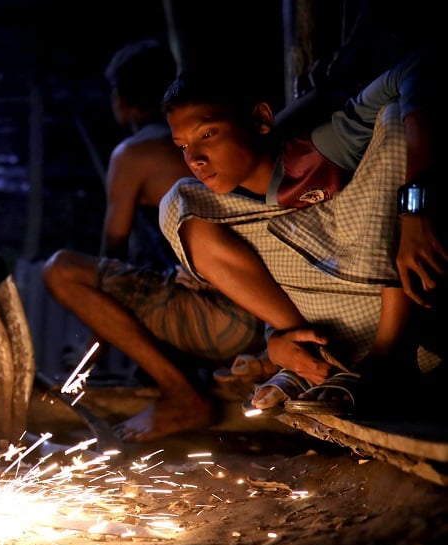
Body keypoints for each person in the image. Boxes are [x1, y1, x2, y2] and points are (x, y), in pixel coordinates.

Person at [159, 43, 441, 418]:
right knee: (177, 202)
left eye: (207, 135)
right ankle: (305, 356)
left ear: (260, 119)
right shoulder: (228, 214)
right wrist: (278, 339)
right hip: (326, 330)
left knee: (391, 120)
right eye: (183, 146)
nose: (195, 158)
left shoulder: (322, 147)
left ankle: (385, 360)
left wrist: (416, 209)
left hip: (399, 306)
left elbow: (418, 64)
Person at [42, 39, 267, 443]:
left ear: (122, 100)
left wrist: (90, 358)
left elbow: (106, 264)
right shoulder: (212, 145)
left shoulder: (132, 154)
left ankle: (181, 394)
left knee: (62, 270)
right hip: (261, 317)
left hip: (221, 320)